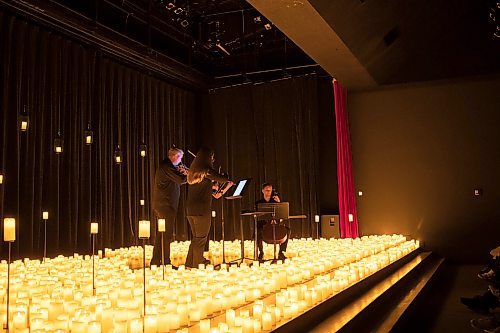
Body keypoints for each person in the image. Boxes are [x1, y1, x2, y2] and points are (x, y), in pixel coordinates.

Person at [185, 147, 233, 268]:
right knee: (201, 239)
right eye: (211, 158)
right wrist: (223, 175)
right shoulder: (206, 170)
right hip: (202, 210)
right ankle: (198, 264)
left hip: (191, 210)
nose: (213, 159)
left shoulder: (193, 171)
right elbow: (224, 179)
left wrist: (212, 185)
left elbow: (203, 187)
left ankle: (190, 264)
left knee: (196, 238)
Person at [150, 147, 188, 267]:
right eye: (180, 158)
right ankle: (165, 262)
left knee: (162, 234)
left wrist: (182, 171)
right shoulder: (167, 166)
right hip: (165, 205)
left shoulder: (169, 166)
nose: (181, 161)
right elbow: (180, 179)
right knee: (166, 235)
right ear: (175, 156)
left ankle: (156, 261)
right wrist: (192, 175)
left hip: (165, 205)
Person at [255, 183, 289, 261]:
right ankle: (261, 252)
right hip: (264, 224)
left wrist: (279, 203)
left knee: (287, 230)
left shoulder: (275, 201)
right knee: (258, 231)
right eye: (266, 190)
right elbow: (259, 216)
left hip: (275, 224)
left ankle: (281, 252)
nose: (268, 192)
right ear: (262, 191)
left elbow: (281, 216)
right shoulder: (258, 202)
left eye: (270, 190)